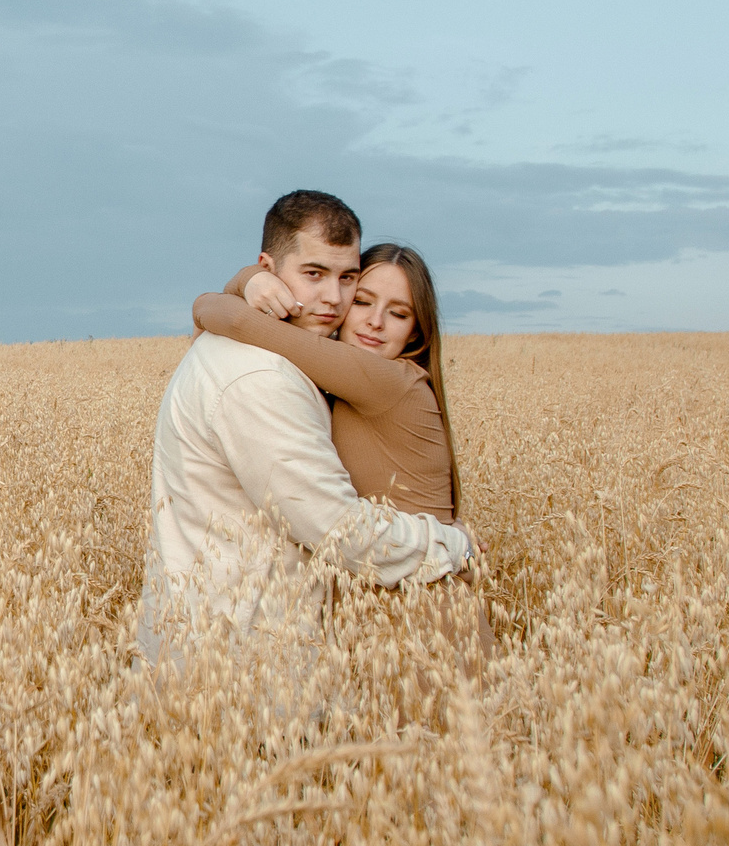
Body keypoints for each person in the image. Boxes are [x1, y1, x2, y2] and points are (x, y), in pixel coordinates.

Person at [136, 191, 475, 665]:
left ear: (417, 329)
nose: (335, 300)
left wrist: (241, 286)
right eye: (314, 274)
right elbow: (337, 528)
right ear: (272, 268)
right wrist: (452, 544)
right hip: (240, 656)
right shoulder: (263, 377)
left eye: (347, 279)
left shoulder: (373, 374)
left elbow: (223, 315)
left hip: (416, 619)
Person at [192, 242, 460, 524]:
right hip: (397, 559)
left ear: (416, 332)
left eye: (399, 313)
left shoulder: (392, 381)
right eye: (362, 301)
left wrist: (244, 283)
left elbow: (236, 320)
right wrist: (252, 279)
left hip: (427, 562)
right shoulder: (345, 380)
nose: (376, 321)